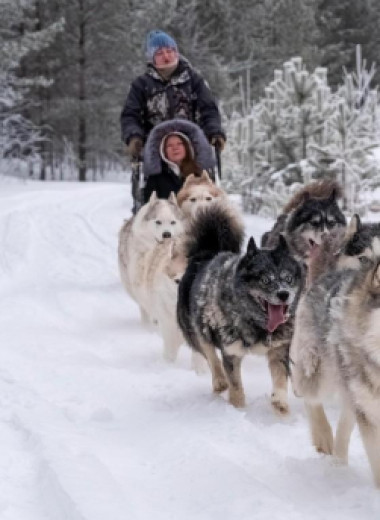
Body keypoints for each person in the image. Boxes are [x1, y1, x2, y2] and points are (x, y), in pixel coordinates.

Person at [120, 29, 226, 161]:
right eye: (159, 53)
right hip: (155, 153)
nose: (166, 56)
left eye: (169, 51)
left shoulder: (194, 81)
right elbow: (130, 115)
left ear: (176, 52)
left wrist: (214, 132)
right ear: (151, 58)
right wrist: (134, 137)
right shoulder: (141, 85)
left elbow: (209, 110)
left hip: (192, 150)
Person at [142, 119, 216, 202]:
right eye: (169, 145)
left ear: (187, 147)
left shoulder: (200, 175)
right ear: (163, 151)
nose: (175, 148)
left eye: (179, 143)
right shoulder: (155, 178)